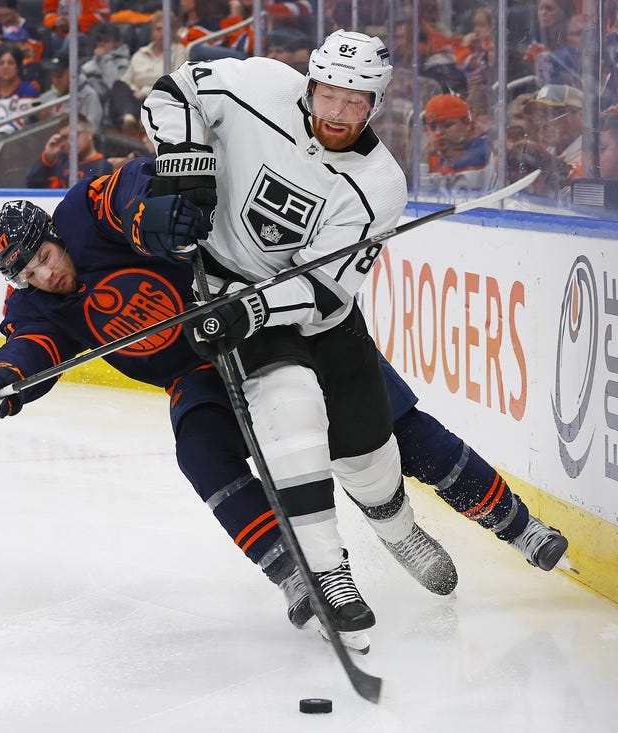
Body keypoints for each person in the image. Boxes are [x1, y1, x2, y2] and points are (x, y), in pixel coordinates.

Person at [0, 165, 568, 651]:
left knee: (388, 427)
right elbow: (30, 349)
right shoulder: (36, 309)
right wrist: (2, 379)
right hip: (196, 371)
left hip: (258, 319)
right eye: (28, 274)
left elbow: (128, 190)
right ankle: (293, 570)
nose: (46, 276)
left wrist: (150, 216)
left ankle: (513, 522)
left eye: (43, 257)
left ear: (54, 236)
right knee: (200, 452)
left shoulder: (82, 214)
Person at [140, 30, 457, 636]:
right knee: (292, 410)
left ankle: (398, 531)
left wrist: (253, 310)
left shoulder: (381, 184)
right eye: (328, 95)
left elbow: (323, 290)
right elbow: (173, 90)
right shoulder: (256, 84)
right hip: (229, 287)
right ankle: (328, 569)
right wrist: (188, 166)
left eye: (354, 101)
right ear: (310, 84)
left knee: (367, 449)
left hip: (309, 313)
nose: (336, 113)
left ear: (376, 104)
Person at [420, 93, 498, 197]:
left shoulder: (481, 154)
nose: (438, 133)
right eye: (433, 127)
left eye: (447, 125)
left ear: (468, 125)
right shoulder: (433, 156)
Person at [25, 115, 111, 189]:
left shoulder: (103, 166)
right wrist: (48, 158)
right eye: (64, 137)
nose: (70, 142)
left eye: (75, 135)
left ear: (89, 134)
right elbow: (32, 186)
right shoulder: (58, 161)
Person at [525, 83, 584, 180]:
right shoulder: (546, 153)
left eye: (553, 114)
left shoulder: (590, 158)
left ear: (581, 116)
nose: (544, 124)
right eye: (539, 116)